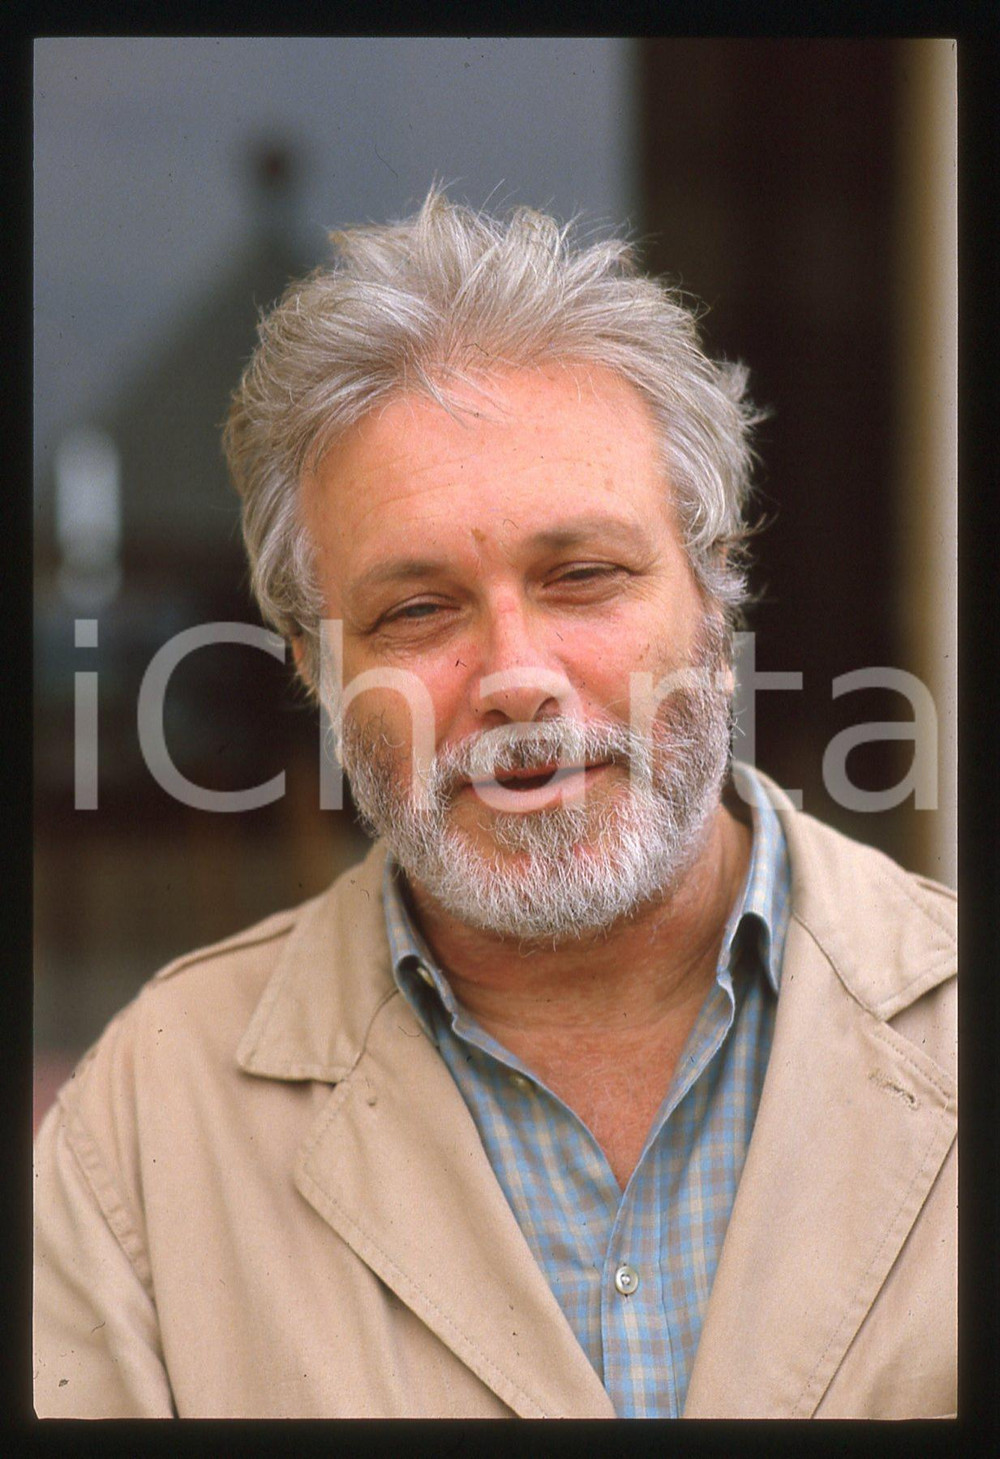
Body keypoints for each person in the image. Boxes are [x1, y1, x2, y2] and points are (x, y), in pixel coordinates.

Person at [33, 188, 956, 1419]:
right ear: (314, 665)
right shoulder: (145, 1128)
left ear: (716, 595)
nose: (516, 673)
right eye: (417, 609)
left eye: (583, 576)